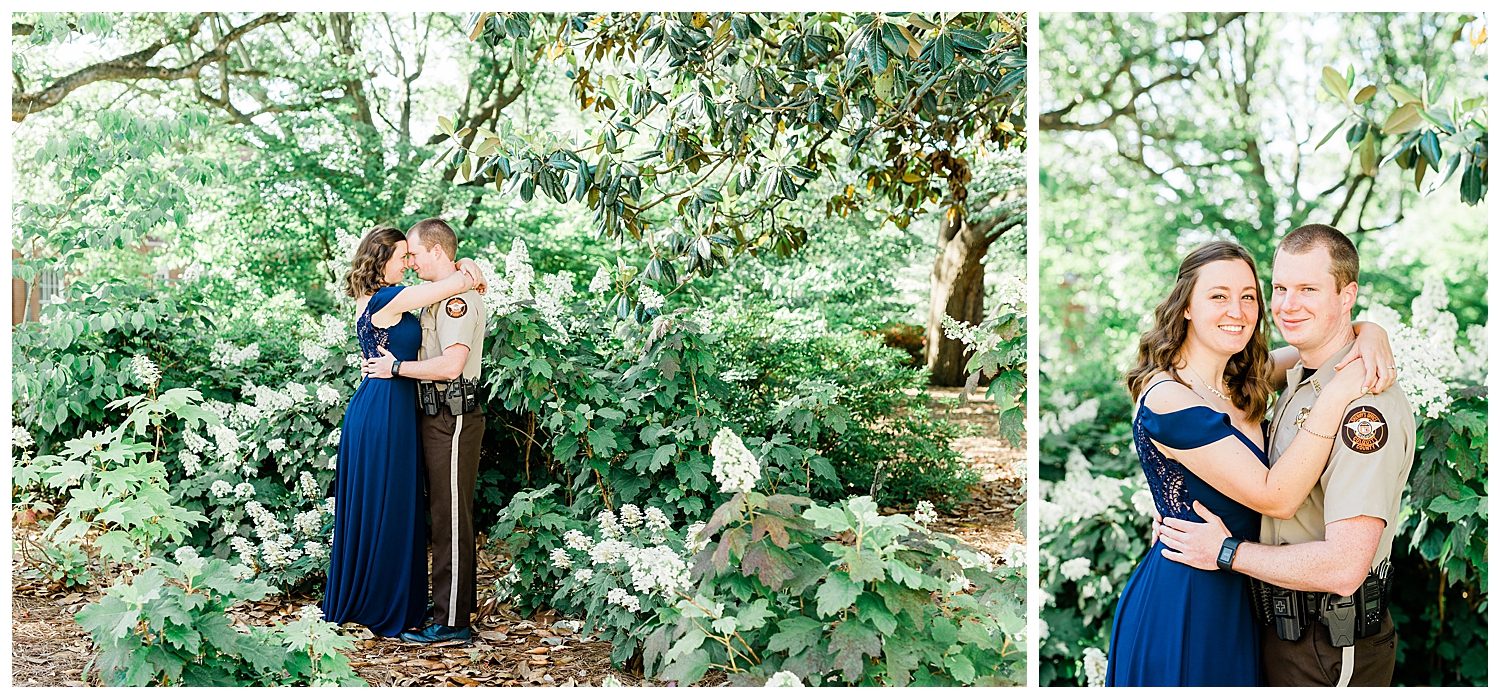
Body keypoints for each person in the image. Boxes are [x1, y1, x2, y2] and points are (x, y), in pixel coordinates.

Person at [1106, 239, 1395, 686]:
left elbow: (1321, 342)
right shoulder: (1167, 398)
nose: (1237, 311)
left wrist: (1373, 331)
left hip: (1247, 587)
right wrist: (1338, 394)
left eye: (1249, 297)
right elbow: (1274, 496)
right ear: (1185, 306)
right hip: (1190, 593)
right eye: (1218, 296)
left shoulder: (1245, 380)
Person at [322, 226, 485, 637]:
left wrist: (464, 264)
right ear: (382, 262)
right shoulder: (390, 299)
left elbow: (452, 304)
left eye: (412, 255)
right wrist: (469, 268)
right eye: (402, 258)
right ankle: (387, 603)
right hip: (385, 412)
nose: (408, 263)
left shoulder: (375, 297)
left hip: (395, 409)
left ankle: (411, 606)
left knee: (394, 508)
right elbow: (460, 281)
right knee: (390, 507)